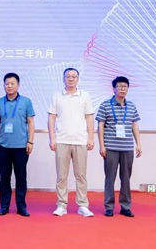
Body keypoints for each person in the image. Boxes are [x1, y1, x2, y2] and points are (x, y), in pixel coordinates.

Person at [48, 67, 95, 217]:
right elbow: (52, 118)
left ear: (78, 79)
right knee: (61, 176)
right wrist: (52, 138)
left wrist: (90, 138)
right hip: (61, 140)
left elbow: (89, 117)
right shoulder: (57, 96)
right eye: (68, 76)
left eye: (74, 76)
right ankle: (61, 205)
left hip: (80, 140)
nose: (71, 79)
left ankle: (83, 205)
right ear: (63, 79)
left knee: (81, 175)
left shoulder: (85, 96)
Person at [96, 76, 142, 217]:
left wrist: (138, 144)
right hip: (111, 147)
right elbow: (100, 126)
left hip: (127, 147)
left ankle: (125, 206)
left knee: (126, 179)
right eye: (120, 86)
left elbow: (134, 125)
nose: (122, 89)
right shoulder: (105, 105)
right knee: (110, 178)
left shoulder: (131, 106)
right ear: (113, 88)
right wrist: (102, 146)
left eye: (125, 86)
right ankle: (109, 207)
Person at [0, 73, 35, 217]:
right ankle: (4, 206)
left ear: (18, 85)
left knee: (21, 177)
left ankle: (21, 207)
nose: (9, 86)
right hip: (4, 146)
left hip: (21, 147)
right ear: (4, 85)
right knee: (4, 178)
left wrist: (30, 141)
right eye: (7, 84)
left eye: (12, 83)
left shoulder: (26, 102)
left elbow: (30, 122)